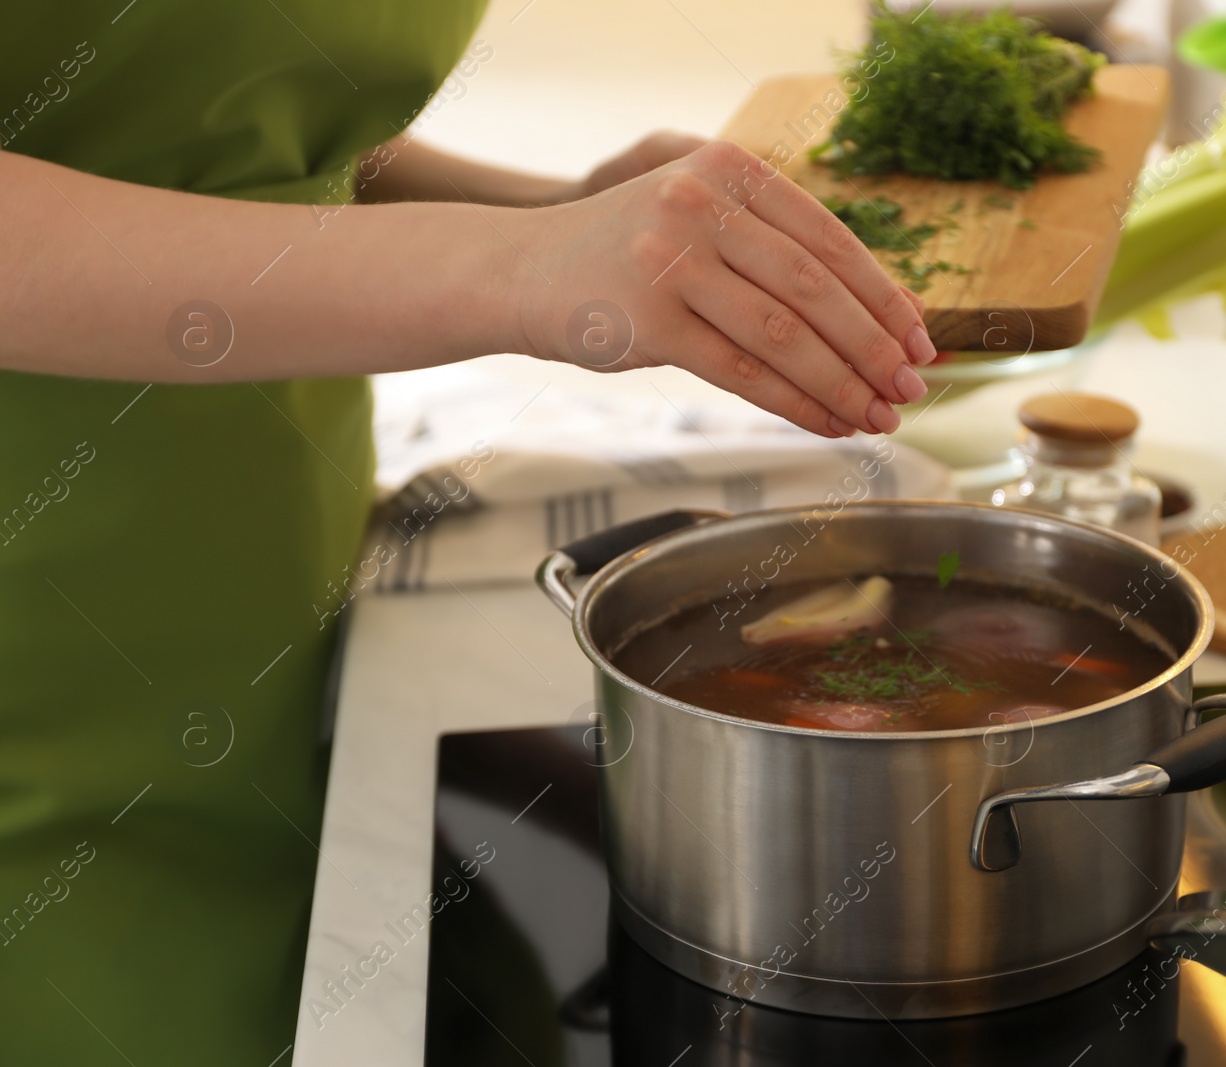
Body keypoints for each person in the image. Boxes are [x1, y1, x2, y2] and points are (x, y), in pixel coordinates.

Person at [0, 1, 935, 1061]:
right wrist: (512, 264)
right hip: (40, 697)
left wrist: (554, 207)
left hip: (275, 605)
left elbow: (210, 117)